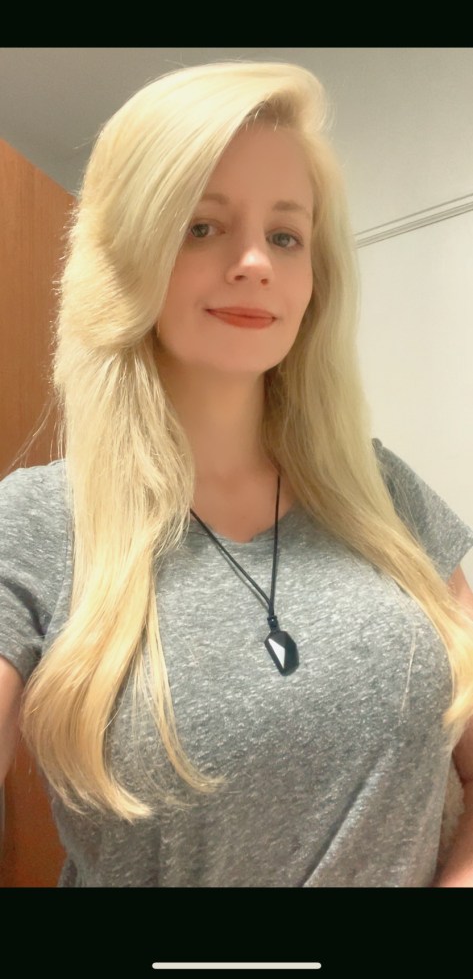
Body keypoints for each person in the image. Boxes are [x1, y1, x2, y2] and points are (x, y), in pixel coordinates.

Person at [1, 59, 473, 888]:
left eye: (285, 235)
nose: (254, 261)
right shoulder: (34, 522)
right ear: (127, 254)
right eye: (201, 226)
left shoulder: (381, 491)